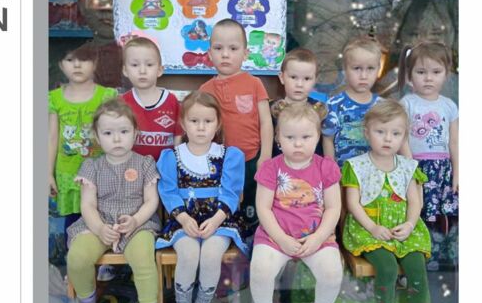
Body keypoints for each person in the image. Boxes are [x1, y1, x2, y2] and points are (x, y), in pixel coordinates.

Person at [341, 99, 438, 303]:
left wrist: (409, 224)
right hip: (369, 229)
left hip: (402, 228)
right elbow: (353, 203)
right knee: (387, 268)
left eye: (395, 133)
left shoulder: (408, 167)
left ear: (404, 137)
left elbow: (415, 202)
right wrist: (372, 227)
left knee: (416, 267)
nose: (388, 139)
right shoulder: (356, 166)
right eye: (380, 131)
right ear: (367, 132)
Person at [66, 99, 162, 303]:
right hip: (98, 223)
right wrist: (99, 228)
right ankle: (87, 298)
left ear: (135, 133)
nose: (117, 139)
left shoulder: (145, 163)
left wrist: (136, 220)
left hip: (137, 222)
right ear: (97, 137)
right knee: (77, 257)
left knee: (143, 257)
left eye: (124, 132)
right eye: (108, 133)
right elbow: (87, 205)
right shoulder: (92, 166)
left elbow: (152, 200)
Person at [156, 92, 248, 303]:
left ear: (217, 124)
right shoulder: (171, 156)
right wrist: (184, 219)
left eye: (207, 121)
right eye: (194, 121)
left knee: (210, 254)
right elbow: (168, 191)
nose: (200, 127)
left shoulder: (229, 155)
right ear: (183, 124)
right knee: (188, 254)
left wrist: (216, 220)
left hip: (220, 219)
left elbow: (231, 192)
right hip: (183, 218)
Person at [250, 103, 343, 303]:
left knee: (332, 274)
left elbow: (333, 208)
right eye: (290, 137)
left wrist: (318, 237)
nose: (298, 144)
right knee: (260, 271)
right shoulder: (271, 168)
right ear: (278, 139)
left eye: (305, 137)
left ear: (318, 137)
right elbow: (263, 208)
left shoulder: (326, 167)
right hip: (275, 237)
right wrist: (281, 239)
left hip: (316, 237)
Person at [200, 19, 273, 227]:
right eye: (218, 48)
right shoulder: (205, 90)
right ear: (209, 54)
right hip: (219, 162)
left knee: (252, 208)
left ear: (245, 53)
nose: (225, 54)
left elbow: (266, 122)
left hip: (251, 158)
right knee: (225, 206)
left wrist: (265, 156)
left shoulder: (254, 83)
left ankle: (250, 237)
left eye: (233, 48)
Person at [398, 40, 459, 267]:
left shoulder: (449, 106)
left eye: (436, 72)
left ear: (446, 74)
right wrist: (410, 167)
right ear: (410, 75)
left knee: (444, 212)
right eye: (421, 72)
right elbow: (402, 137)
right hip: (418, 167)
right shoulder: (407, 103)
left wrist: (457, 172)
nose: (428, 78)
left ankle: (446, 254)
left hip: (442, 169)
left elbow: (454, 141)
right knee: (420, 210)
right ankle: (422, 255)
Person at [48, 43, 117, 226]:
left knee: (102, 221)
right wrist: (48, 173)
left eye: (84, 59)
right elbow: (52, 138)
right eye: (70, 60)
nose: (77, 65)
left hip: (101, 173)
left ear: (95, 62)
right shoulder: (54, 98)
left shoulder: (107, 96)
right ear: (61, 64)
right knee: (72, 224)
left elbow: (114, 135)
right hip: (67, 174)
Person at [322, 36, 383, 166]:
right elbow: (328, 140)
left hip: (375, 173)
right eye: (357, 68)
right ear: (345, 69)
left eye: (370, 68)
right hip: (343, 173)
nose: (363, 76)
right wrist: (331, 172)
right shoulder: (334, 105)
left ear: (379, 69)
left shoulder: (383, 106)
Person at [120, 36, 182, 161]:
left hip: (164, 168)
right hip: (132, 168)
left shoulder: (171, 101)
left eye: (149, 64)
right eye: (135, 65)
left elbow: (178, 135)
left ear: (159, 70)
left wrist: (175, 162)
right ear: (125, 70)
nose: (142, 71)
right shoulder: (121, 103)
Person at [270, 47, 327, 156]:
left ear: (315, 80)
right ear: (282, 77)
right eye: (293, 77)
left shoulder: (319, 108)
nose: (299, 84)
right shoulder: (272, 109)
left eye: (307, 78)